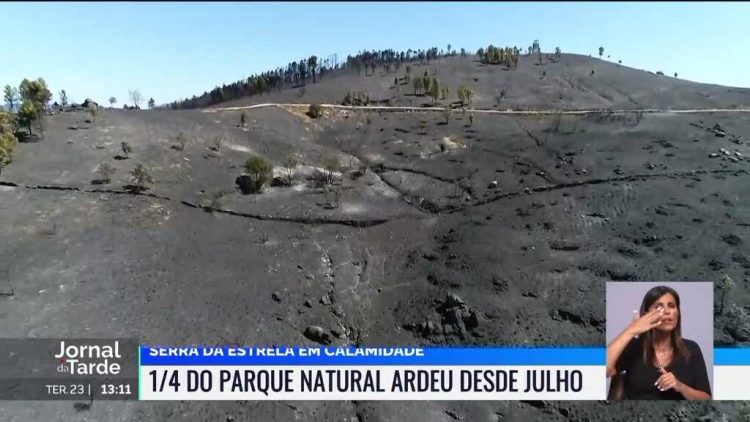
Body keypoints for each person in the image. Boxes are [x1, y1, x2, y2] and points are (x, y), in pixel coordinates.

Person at [606, 285, 711, 400]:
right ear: (647, 315)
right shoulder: (633, 347)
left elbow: (706, 399)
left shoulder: (691, 349)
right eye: (659, 307)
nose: (667, 311)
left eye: (671, 306)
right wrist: (630, 331)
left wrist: (680, 386)